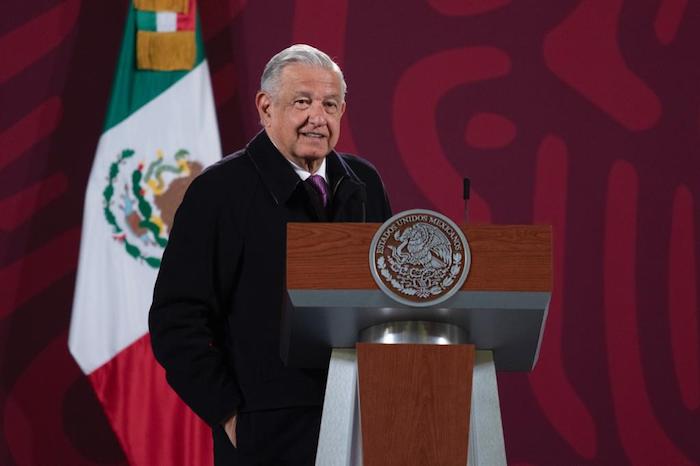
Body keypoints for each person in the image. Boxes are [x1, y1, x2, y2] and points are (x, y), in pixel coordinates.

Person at [148, 44, 392, 465]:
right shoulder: (219, 192)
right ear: (265, 107)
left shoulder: (364, 183)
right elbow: (176, 319)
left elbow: (392, 296)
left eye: (330, 104)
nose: (318, 117)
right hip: (267, 433)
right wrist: (227, 413)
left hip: (364, 421)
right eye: (303, 102)